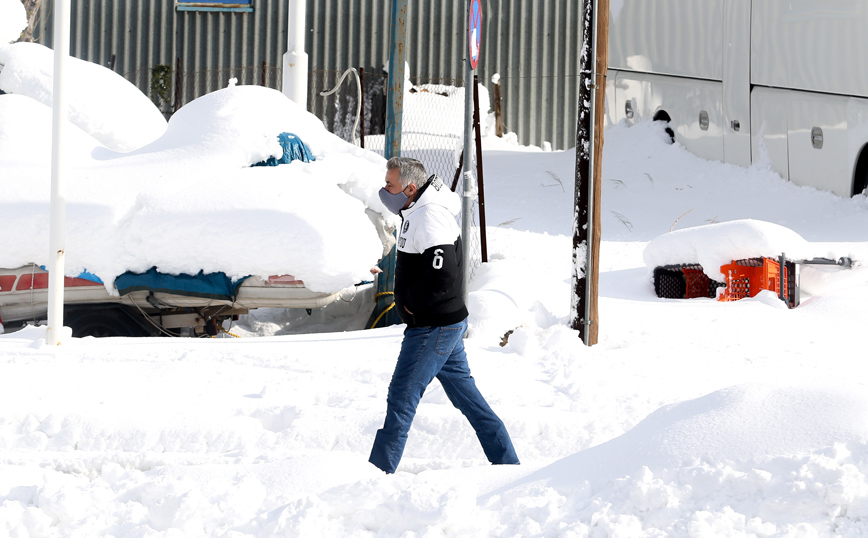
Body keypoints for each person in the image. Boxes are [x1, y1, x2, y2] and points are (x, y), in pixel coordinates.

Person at [369, 156, 519, 474]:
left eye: (390, 185)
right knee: (469, 400)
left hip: (432, 326)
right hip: (444, 323)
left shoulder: (429, 217)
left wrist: (412, 305)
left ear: (409, 188)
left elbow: (443, 272)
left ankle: (378, 473)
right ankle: (508, 464)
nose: (385, 189)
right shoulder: (417, 209)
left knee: (402, 397)